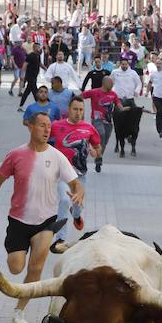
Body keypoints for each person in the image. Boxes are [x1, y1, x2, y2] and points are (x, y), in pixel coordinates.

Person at [0, 110, 80, 323]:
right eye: (42, 125)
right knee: (16, 268)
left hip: (46, 221)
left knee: (35, 269)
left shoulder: (56, 156)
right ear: (30, 127)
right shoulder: (16, 155)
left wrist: (79, 193)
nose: (47, 129)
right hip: (18, 221)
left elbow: (75, 183)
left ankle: (19, 310)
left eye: (49, 126)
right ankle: (16, 265)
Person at [48, 96, 101, 244]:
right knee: (65, 200)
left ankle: (76, 215)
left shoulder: (89, 128)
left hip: (80, 176)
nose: (78, 113)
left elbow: (98, 147)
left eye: (81, 110)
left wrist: (96, 153)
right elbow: (42, 139)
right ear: (69, 110)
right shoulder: (57, 126)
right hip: (62, 174)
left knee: (77, 205)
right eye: (75, 109)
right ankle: (60, 239)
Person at [80, 76, 119, 172]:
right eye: (111, 83)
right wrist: (80, 107)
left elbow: (118, 104)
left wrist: (123, 108)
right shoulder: (94, 92)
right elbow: (81, 96)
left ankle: (98, 159)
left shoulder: (113, 94)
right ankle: (94, 150)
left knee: (104, 142)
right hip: (97, 119)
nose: (112, 85)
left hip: (108, 121)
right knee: (101, 133)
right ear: (104, 83)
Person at [18, 44, 43, 108]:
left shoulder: (38, 55)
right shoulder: (30, 55)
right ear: (34, 48)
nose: (39, 49)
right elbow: (25, 64)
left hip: (35, 76)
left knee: (27, 91)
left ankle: (21, 105)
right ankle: (40, 105)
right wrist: (22, 74)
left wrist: (46, 68)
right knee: (35, 90)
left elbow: (39, 63)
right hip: (30, 76)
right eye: (38, 47)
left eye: (39, 47)